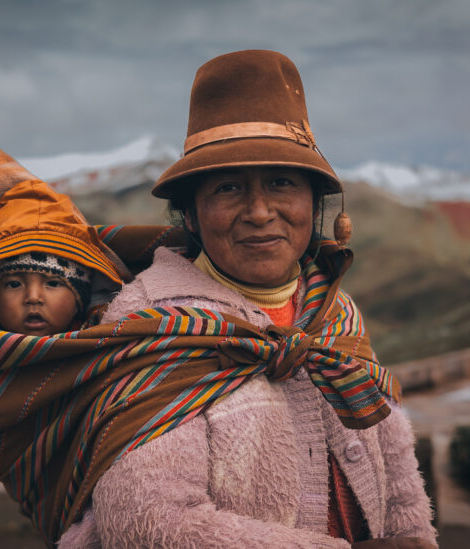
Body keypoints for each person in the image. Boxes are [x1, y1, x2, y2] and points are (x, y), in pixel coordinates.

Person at [58, 50, 438, 548]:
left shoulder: (334, 311)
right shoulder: (154, 320)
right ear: (191, 214)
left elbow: (394, 456)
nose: (259, 211)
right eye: (228, 188)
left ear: (314, 204)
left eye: (281, 183)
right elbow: (148, 523)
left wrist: (415, 538)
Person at [0, 177, 123, 335]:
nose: (33, 298)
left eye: (53, 283)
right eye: (14, 284)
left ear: (80, 300)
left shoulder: (113, 342)